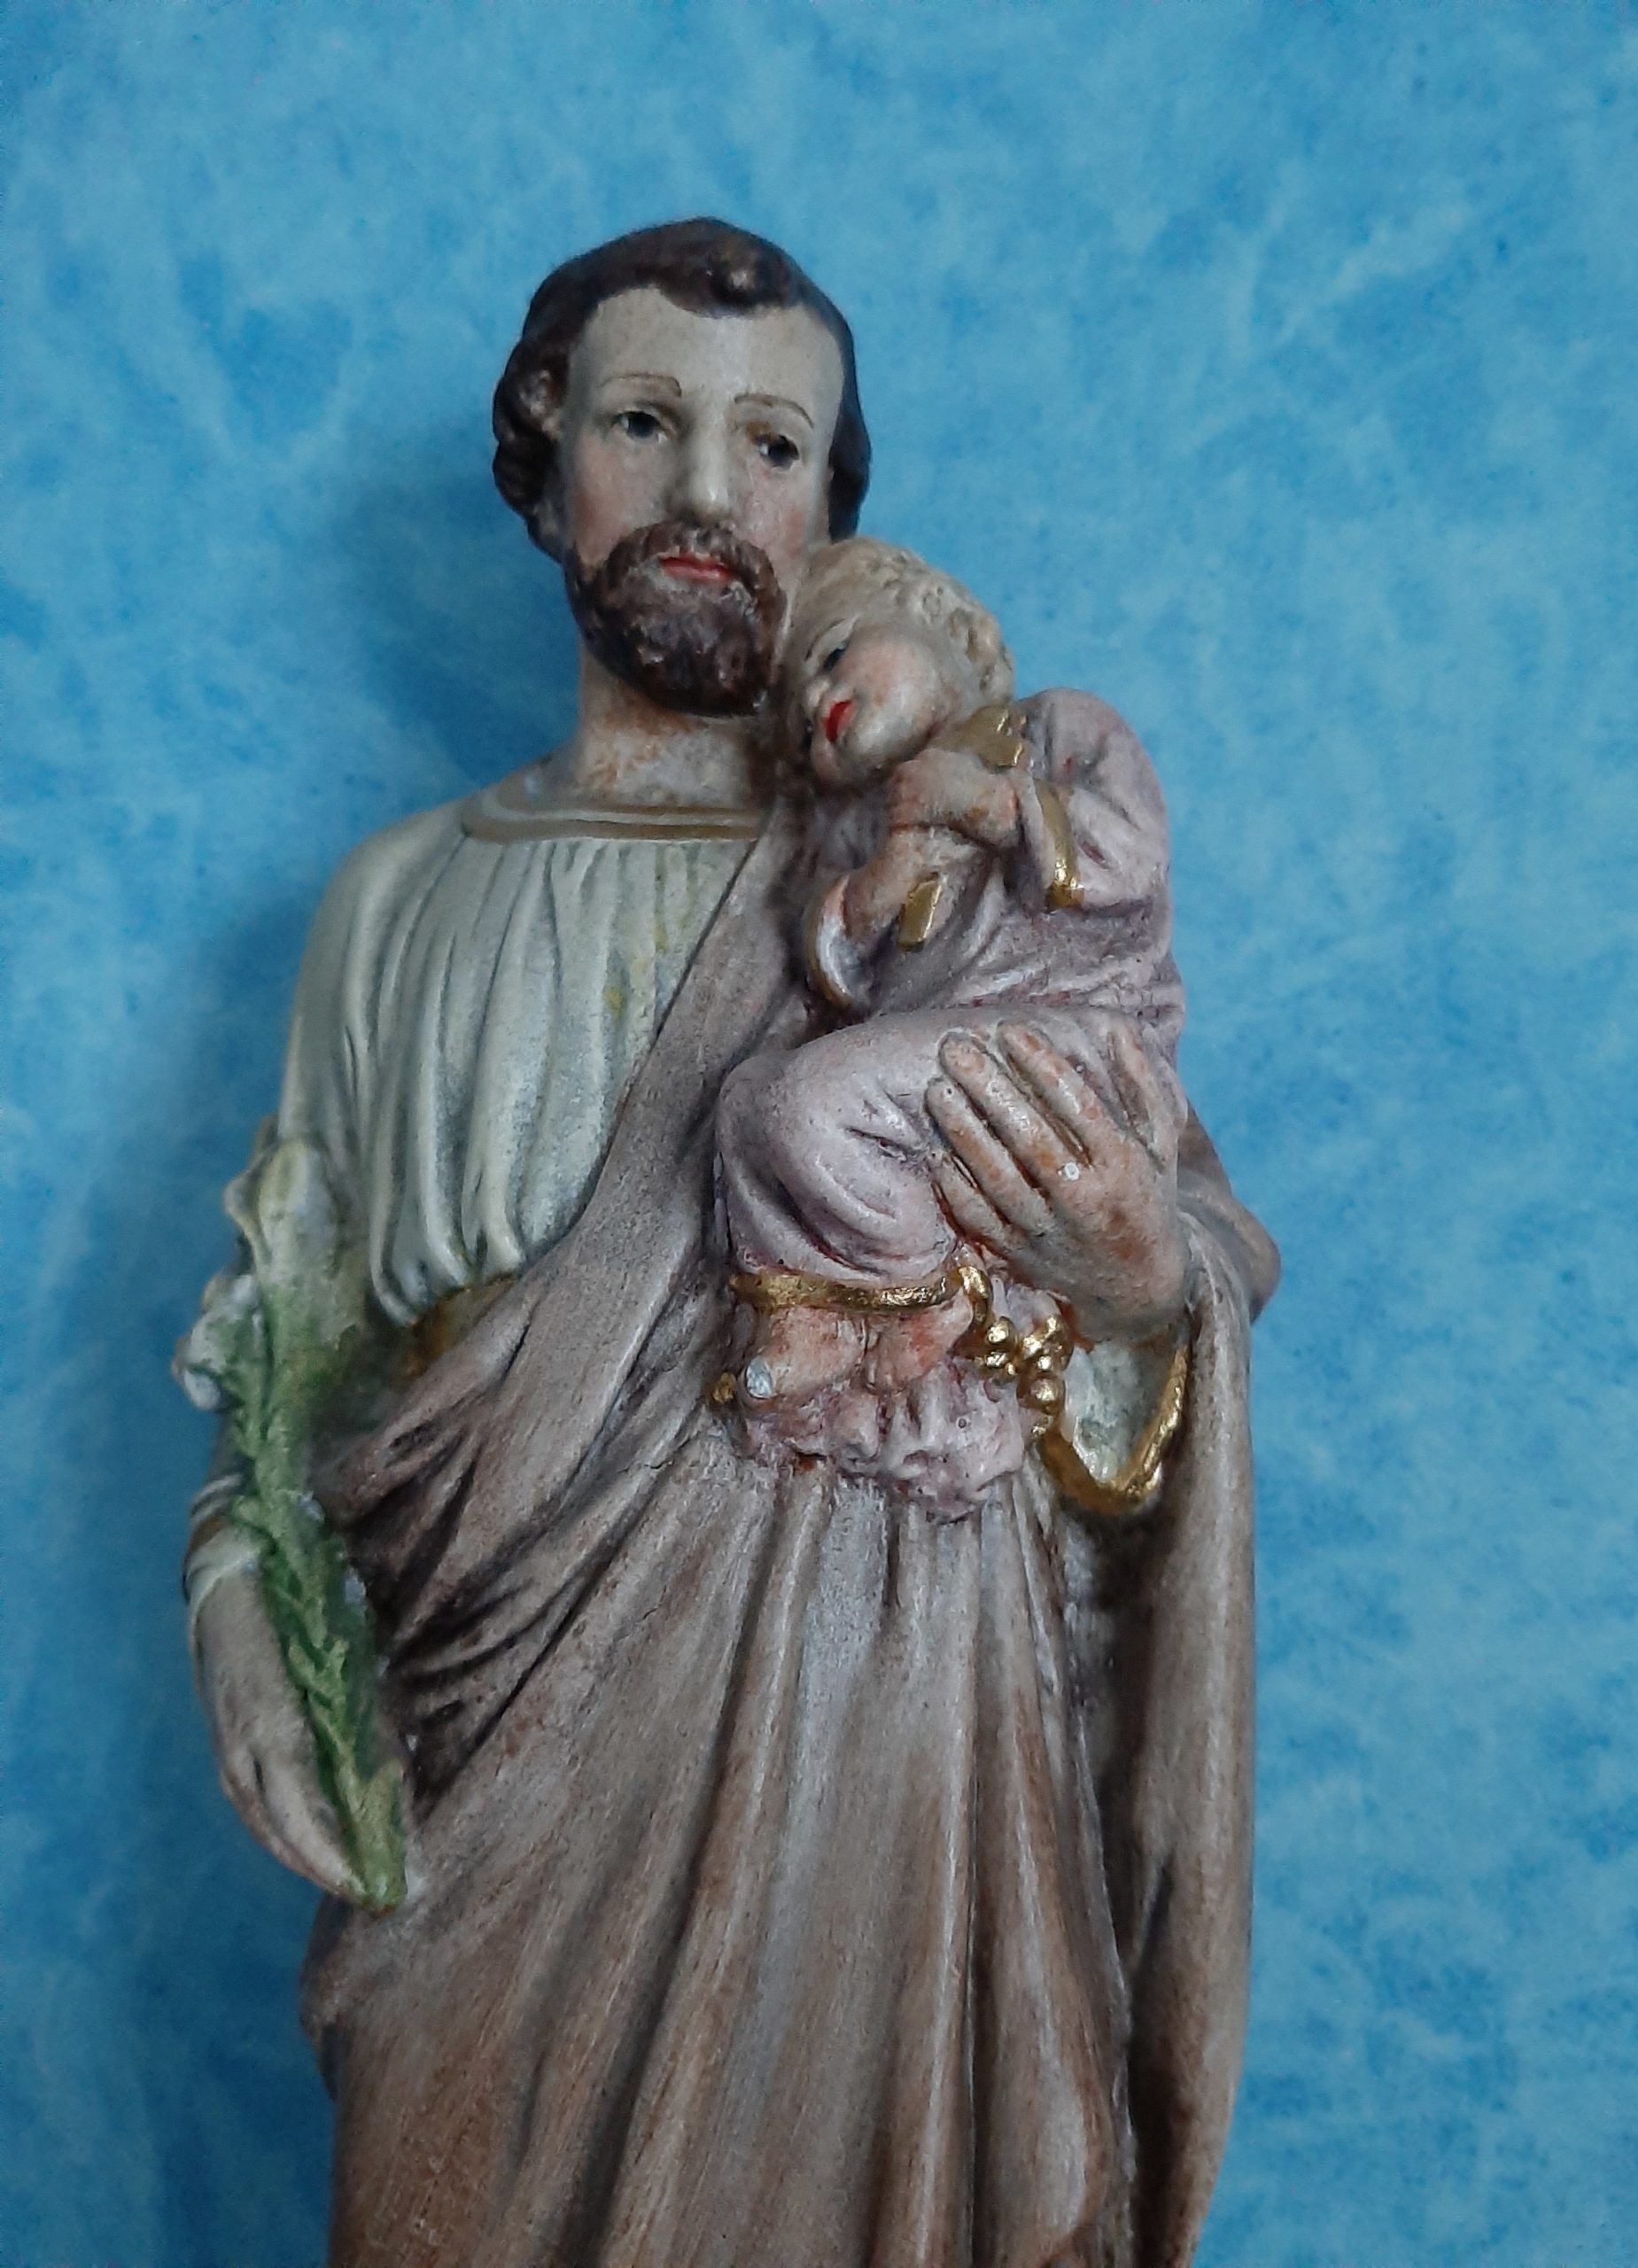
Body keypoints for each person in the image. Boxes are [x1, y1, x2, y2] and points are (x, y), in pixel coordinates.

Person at [178, 218, 1279, 2268]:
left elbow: (1172, 1295)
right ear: (543, 466)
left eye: (771, 444)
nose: (705, 489)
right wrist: (243, 1605)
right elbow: (287, 1341)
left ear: (835, 512)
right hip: (487, 1788)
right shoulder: (395, 906)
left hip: (897, 1783)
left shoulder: (948, 886)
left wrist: (1137, 1287)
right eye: (642, 421)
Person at [716, 535, 1190, 1512]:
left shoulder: (1048, 728)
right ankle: (812, 1310)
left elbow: (1129, 852)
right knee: (748, 1102)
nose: (819, 698)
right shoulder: (866, 835)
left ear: (952, 627)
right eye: (801, 718)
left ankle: (929, 1301)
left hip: (1069, 1059)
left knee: (807, 1101)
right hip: (942, 1073)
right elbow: (840, 972)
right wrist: (881, 879)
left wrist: (989, 804)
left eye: (836, 651)